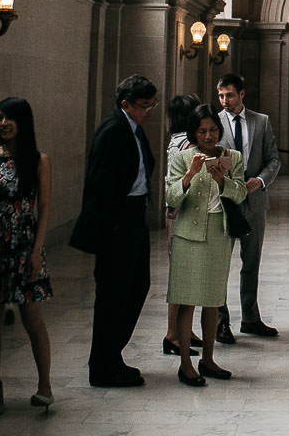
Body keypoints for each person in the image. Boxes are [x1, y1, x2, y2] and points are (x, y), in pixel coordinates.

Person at [68, 75, 158, 388]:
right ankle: (103, 366)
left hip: (134, 217)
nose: (149, 111)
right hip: (117, 224)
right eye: (144, 105)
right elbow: (99, 184)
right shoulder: (113, 130)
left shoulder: (132, 128)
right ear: (125, 104)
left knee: (136, 286)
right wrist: (110, 228)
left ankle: (111, 356)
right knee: (113, 294)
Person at [0, 97, 53, 414]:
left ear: (23, 122)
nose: (2, 123)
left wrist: (36, 251)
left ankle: (44, 384)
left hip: (24, 242)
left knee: (31, 316)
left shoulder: (37, 160)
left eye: (9, 118)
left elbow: (44, 208)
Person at [165, 104, 246, 386]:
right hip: (188, 234)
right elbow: (171, 198)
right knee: (186, 301)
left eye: (213, 130)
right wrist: (189, 176)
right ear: (194, 133)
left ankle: (208, 359)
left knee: (212, 301)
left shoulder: (232, 157)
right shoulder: (183, 158)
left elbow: (240, 194)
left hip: (218, 234)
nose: (209, 136)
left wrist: (222, 180)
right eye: (202, 131)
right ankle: (185, 363)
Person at [215, 72, 283, 341]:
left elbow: (274, 159)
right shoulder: (214, 123)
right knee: (221, 263)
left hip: (254, 201)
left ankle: (250, 318)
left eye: (229, 95)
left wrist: (261, 181)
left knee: (251, 261)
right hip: (224, 203)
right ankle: (221, 321)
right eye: (220, 95)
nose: (224, 101)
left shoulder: (261, 121)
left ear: (242, 94)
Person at [159, 93, 202, 356]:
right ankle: (173, 335)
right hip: (184, 213)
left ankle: (184, 330)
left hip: (176, 212)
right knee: (182, 276)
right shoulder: (186, 144)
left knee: (188, 275)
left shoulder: (174, 140)